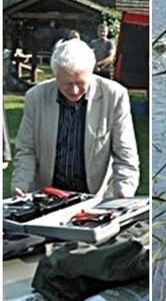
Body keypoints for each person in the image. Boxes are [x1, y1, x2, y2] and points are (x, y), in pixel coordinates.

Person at [11, 38, 139, 198]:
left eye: (80, 82)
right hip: (49, 195)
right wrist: (21, 185)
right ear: (55, 76)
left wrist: (124, 191)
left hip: (96, 198)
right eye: (66, 83)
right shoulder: (35, 97)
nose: (74, 90)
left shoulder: (115, 96)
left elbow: (125, 153)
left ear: (91, 73)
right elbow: (26, 149)